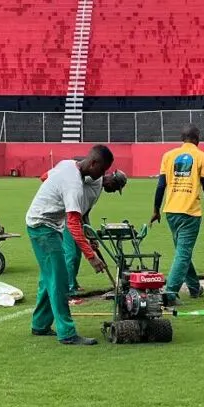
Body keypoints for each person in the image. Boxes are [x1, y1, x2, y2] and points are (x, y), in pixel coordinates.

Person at [25, 146, 112, 345]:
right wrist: (91, 256)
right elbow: (73, 223)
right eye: (103, 169)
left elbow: (45, 176)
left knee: (50, 278)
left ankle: (40, 324)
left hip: (47, 225)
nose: (103, 175)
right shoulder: (74, 185)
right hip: (42, 227)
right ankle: (67, 333)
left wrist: (54, 193)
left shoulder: (67, 165)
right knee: (59, 279)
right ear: (93, 164)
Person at [151, 124, 204, 305]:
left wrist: (156, 209)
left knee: (183, 252)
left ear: (182, 138)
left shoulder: (168, 156)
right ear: (198, 139)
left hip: (170, 211)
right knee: (183, 253)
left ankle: (195, 287)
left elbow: (160, 186)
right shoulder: (202, 157)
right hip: (190, 212)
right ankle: (170, 293)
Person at [63, 170, 128, 305]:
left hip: (79, 218)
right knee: (71, 255)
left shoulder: (98, 190)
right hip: (68, 217)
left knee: (77, 254)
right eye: (116, 188)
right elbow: (77, 176)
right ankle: (68, 292)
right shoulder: (95, 178)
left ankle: (73, 283)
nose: (115, 191)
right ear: (112, 180)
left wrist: (91, 236)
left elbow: (85, 213)